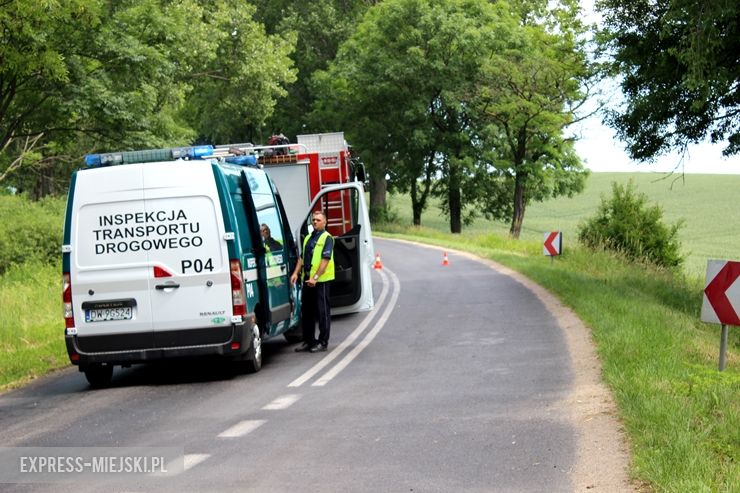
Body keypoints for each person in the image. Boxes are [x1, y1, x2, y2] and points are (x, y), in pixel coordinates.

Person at [290, 210, 335, 353]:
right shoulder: (308, 238)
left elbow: (325, 260)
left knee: (323, 312)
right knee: (307, 312)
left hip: (320, 281)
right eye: (313, 220)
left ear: (325, 222)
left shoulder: (327, 238)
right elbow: (302, 258)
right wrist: (296, 273)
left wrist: (315, 278)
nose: (315, 222)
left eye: (318, 220)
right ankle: (308, 341)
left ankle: (323, 342)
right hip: (307, 280)